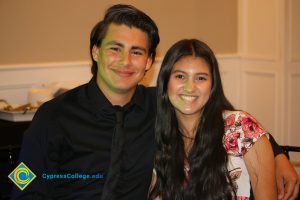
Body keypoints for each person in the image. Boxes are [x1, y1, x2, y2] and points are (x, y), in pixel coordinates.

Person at [11, 4, 299, 200]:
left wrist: (277, 154)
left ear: (149, 62)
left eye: (137, 52)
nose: (125, 61)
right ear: (96, 52)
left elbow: (225, 120)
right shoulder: (54, 116)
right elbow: (21, 180)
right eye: (115, 49)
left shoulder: (161, 105)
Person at [149, 39, 298, 200]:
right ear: (165, 82)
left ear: (212, 85)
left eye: (200, 78)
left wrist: (279, 156)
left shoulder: (241, 128)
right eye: (180, 76)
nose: (190, 87)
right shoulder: (158, 136)